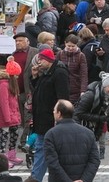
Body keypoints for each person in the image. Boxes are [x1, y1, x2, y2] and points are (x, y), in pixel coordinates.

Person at [26, 49, 70, 182]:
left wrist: (60, 119)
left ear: (48, 60)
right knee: (43, 150)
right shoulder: (45, 73)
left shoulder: (59, 73)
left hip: (52, 120)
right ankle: (37, 178)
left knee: (44, 151)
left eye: (41, 59)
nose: (39, 62)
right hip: (42, 119)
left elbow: (62, 98)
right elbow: (39, 92)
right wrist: (34, 77)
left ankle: (35, 178)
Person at [44, 99, 100, 182]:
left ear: (59, 114)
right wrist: (84, 180)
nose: (53, 112)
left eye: (54, 110)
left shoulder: (51, 134)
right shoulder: (88, 133)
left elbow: (52, 163)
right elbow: (94, 160)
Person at [74, 71, 109, 159]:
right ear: (104, 86)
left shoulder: (108, 97)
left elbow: (105, 115)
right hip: (81, 126)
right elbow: (78, 113)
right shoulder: (90, 95)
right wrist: (99, 118)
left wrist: (108, 124)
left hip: (93, 127)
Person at [0, 58, 22, 168]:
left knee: (14, 136)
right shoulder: (3, 85)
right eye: (16, 75)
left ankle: (11, 155)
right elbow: (4, 102)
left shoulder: (12, 85)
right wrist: (7, 118)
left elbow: (14, 103)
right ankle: (2, 159)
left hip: (14, 117)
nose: (17, 77)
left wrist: (17, 116)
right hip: (6, 118)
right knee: (4, 139)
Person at [57, 35, 88, 103]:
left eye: (73, 46)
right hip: (61, 88)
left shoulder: (81, 56)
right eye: (69, 46)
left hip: (75, 89)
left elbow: (84, 74)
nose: (70, 48)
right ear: (65, 43)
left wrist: (83, 91)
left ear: (77, 45)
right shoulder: (60, 54)